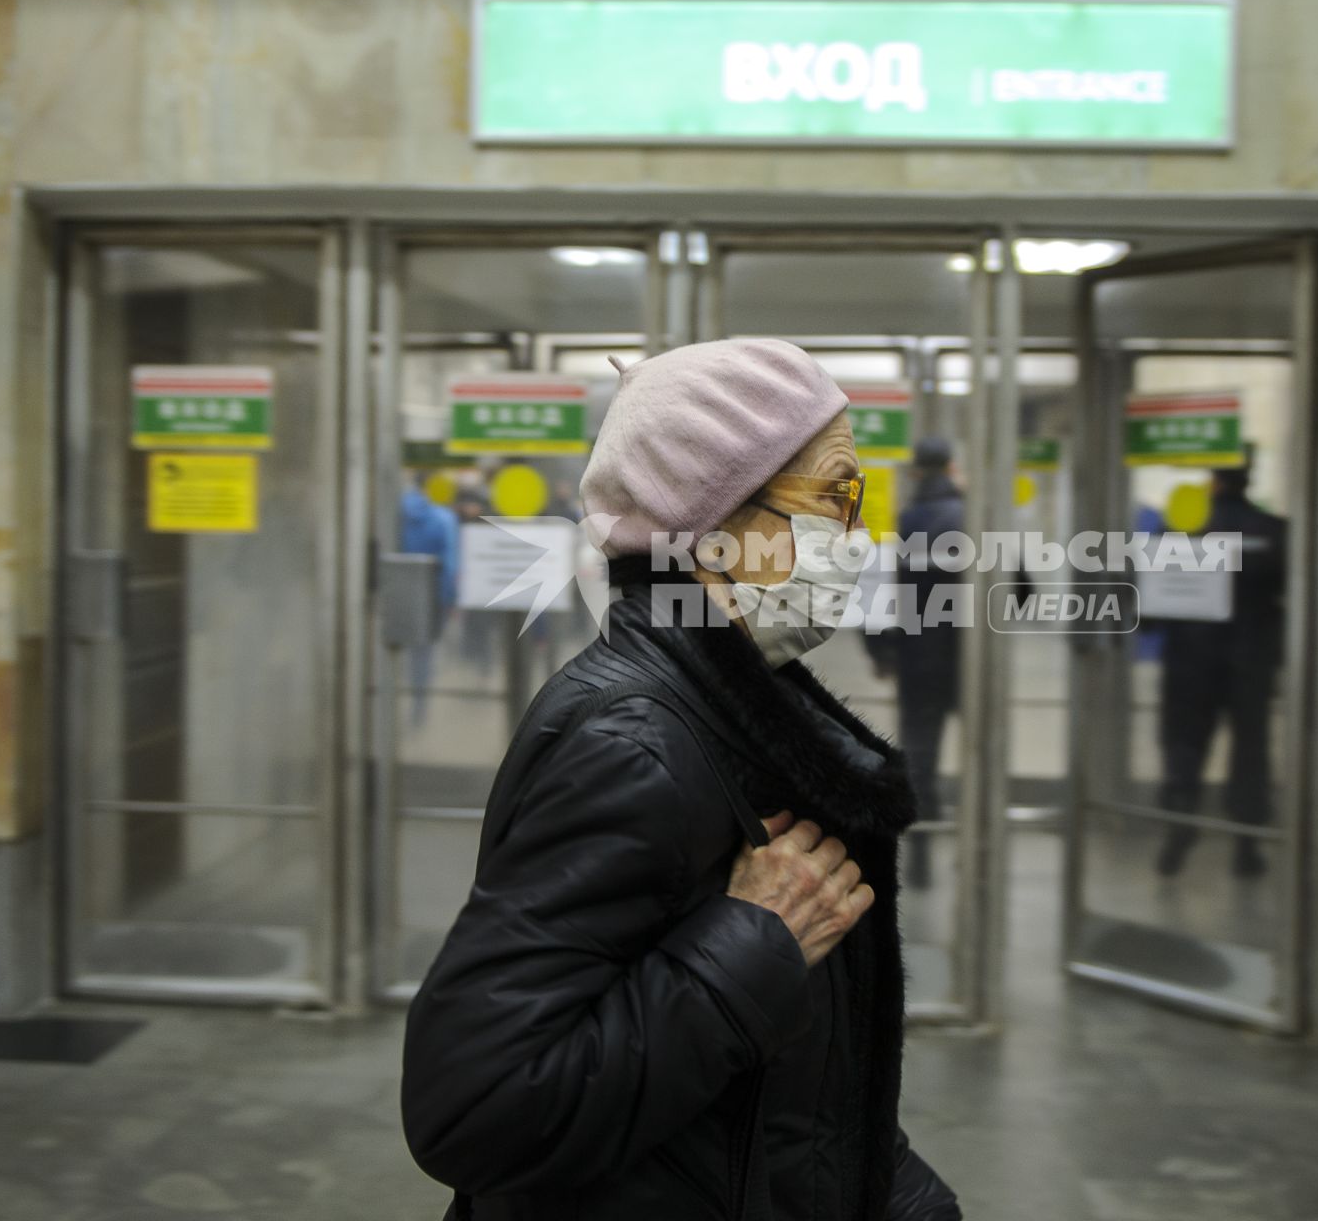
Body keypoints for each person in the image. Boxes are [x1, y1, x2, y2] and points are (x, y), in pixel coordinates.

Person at [402, 339, 961, 1221]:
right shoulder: (634, 746)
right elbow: (474, 1111)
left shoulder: (736, 712)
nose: (855, 538)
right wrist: (753, 943)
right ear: (711, 527)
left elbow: (796, 1107)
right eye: (834, 496)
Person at [1154, 457, 1287, 879]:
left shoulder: (1181, 530)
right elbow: (1286, 598)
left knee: (1184, 748)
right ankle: (1247, 844)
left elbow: (1155, 602)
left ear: (1212, 482)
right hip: (1250, 662)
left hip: (1190, 661)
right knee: (1250, 752)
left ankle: (1180, 827)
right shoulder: (1275, 531)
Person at [865, 436, 965, 890]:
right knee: (981, 751)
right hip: (970, 659)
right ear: (951, 467)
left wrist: (881, 650)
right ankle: (979, 846)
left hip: (918, 656)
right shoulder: (975, 518)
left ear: (918, 472)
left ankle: (921, 851)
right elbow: (1020, 592)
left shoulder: (901, 521)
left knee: (921, 753)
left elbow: (876, 588)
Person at [399, 479, 460, 728]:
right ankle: (419, 705)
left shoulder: (395, 513)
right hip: (432, 596)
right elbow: (449, 564)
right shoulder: (443, 518)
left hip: (399, 594)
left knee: (397, 649)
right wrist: (450, 599)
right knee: (423, 654)